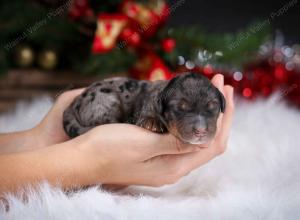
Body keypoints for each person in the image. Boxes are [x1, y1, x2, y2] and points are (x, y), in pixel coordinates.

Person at [0, 74, 234, 194]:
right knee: (109, 105)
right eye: (181, 110)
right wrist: (88, 161)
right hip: (100, 102)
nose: (201, 126)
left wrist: (41, 140)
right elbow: (142, 119)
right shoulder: (154, 102)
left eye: (211, 110)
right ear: (162, 106)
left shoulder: (170, 96)